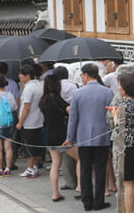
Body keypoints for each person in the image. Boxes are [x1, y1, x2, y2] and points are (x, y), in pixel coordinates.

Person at [63, 63, 113, 211]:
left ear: (85, 75)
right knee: (100, 169)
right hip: (102, 135)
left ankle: (87, 201)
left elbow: (73, 118)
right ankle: (99, 201)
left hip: (83, 136)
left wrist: (70, 138)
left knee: (85, 169)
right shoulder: (108, 92)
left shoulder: (78, 93)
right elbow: (111, 115)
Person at [109, 73, 134, 213]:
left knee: (128, 184)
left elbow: (118, 127)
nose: (118, 88)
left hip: (127, 147)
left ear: (126, 87)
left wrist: (115, 116)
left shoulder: (123, 105)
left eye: (120, 84)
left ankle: (129, 211)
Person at [39, 74, 77, 202]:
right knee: (81, 158)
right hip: (61, 135)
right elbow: (70, 109)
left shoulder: (43, 99)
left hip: (50, 135)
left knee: (55, 163)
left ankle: (55, 193)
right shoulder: (55, 97)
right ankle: (81, 187)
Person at [16, 64, 44, 178]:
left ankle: (30, 168)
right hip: (39, 120)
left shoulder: (29, 88)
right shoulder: (39, 85)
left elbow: (26, 107)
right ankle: (35, 167)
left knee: (28, 147)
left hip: (28, 122)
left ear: (27, 75)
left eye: (21, 74)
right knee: (36, 146)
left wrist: (20, 122)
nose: (19, 76)